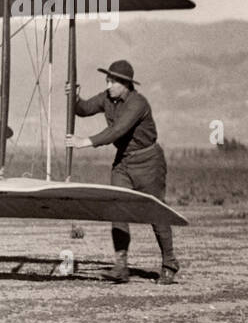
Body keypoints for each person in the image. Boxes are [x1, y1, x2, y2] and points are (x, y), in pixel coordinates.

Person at [67, 59, 178, 284]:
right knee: (117, 207)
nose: (108, 85)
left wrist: (84, 142)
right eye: (107, 80)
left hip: (148, 162)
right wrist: (75, 98)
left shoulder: (138, 103)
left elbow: (117, 131)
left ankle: (169, 262)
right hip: (123, 163)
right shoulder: (108, 98)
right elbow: (85, 109)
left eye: (113, 81)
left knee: (154, 212)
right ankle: (121, 266)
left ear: (125, 84)